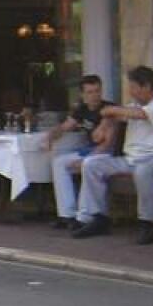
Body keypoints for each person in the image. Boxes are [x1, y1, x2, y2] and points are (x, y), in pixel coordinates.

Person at [73, 66, 153, 245]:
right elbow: (114, 117)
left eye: (133, 87)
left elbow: (141, 115)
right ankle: (99, 218)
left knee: (143, 171)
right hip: (130, 160)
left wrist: (111, 111)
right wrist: (104, 124)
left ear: (146, 86)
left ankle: (147, 224)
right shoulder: (132, 106)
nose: (130, 91)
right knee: (92, 164)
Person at [49, 75, 115, 229]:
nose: (95, 95)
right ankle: (67, 215)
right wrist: (50, 137)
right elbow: (66, 126)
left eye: (97, 91)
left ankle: (84, 217)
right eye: (90, 92)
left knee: (87, 164)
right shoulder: (82, 109)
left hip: (106, 153)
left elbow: (108, 143)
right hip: (88, 151)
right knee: (59, 162)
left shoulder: (109, 110)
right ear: (83, 95)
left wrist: (88, 158)